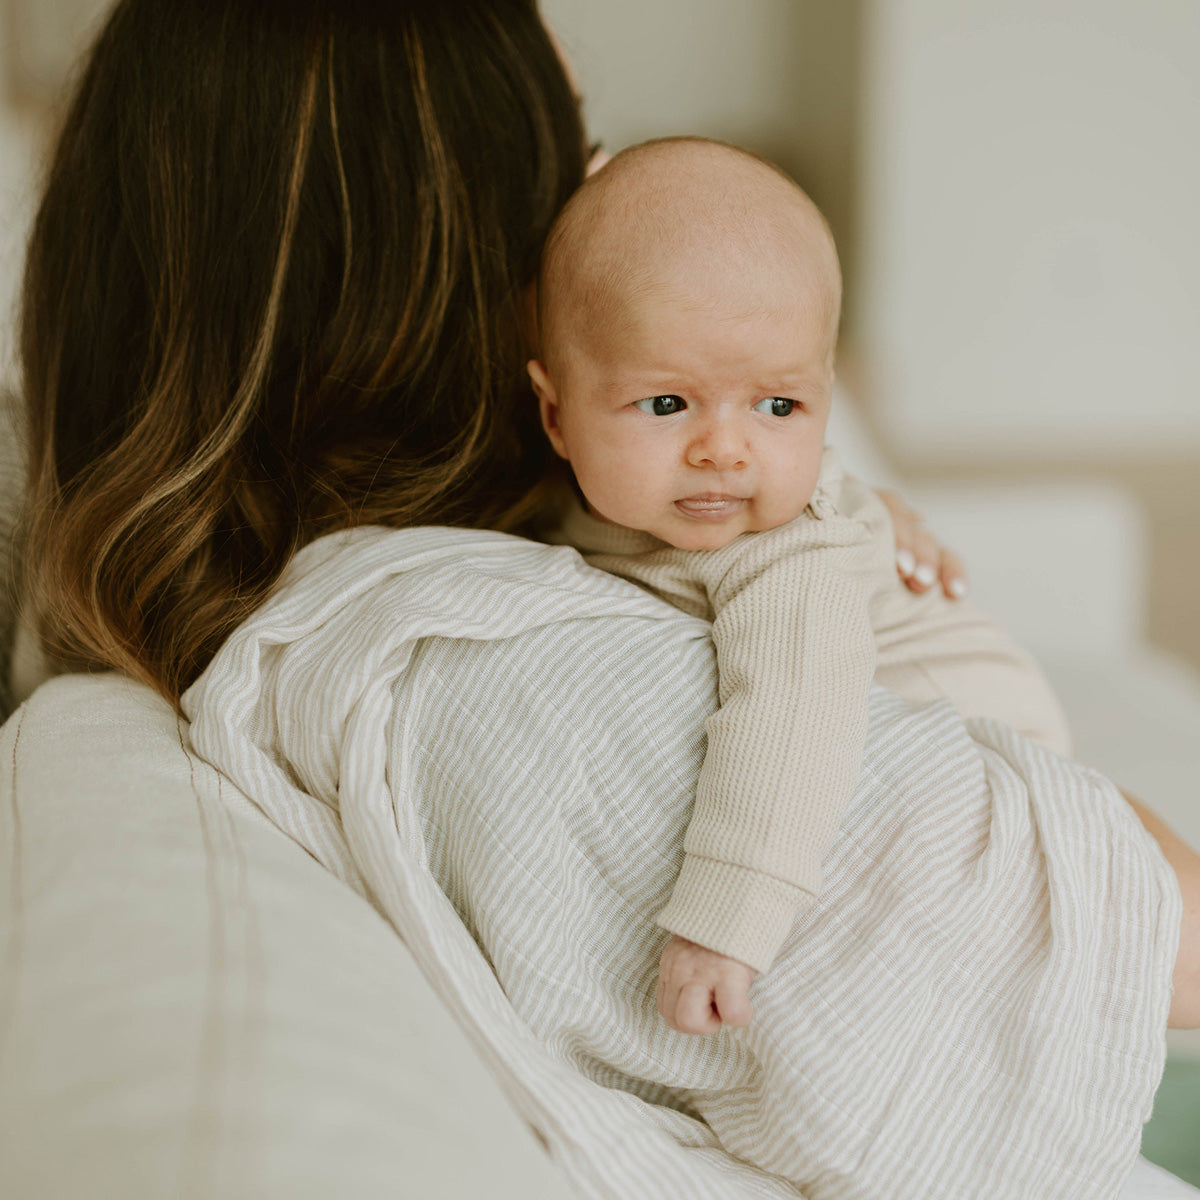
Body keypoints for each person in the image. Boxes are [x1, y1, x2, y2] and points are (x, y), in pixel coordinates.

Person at [11, 0, 1200, 1194]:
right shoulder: (486, 652)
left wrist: (845, 504)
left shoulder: (503, 545)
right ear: (460, 275)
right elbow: (1133, 920)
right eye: (565, 165)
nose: (593, 190)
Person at [528, 135, 959, 1033]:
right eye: (666, 404)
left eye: (778, 407)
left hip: (967, 727)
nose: (724, 449)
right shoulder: (573, 506)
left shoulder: (784, 552)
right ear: (555, 413)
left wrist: (722, 929)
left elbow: (794, 719)